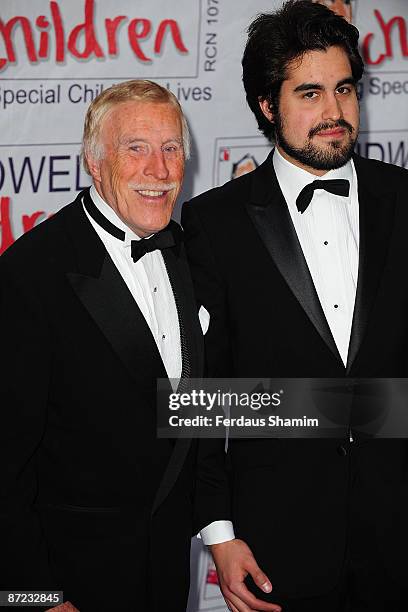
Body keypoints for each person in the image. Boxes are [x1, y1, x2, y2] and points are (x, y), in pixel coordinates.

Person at [182, 1, 408, 611]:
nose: (334, 113)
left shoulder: (403, 201)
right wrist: (219, 534)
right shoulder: (214, 224)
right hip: (279, 548)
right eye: (309, 93)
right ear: (266, 106)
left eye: (344, 89)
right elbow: (205, 392)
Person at [0, 80, 203, 611]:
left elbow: (188, 413)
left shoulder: (186, 252)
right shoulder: (29, 276)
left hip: (166, 575)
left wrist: (347, 411)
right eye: (135, 148)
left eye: (170, 149)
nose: (159, 172)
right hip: (71, 584)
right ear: (94, 162)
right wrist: (33, 597)